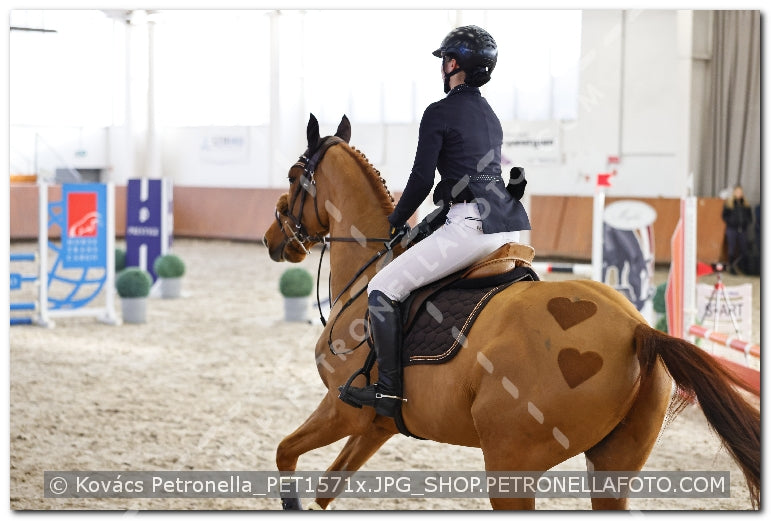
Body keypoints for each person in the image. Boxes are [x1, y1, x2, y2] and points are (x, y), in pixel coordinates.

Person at [339, 25, 531, 418]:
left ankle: (389, 391)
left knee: (384, 286)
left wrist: (395, 219)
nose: (442, 67)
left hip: (470, 227)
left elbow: (422, 180)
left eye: (445, 59)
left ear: (454, 63)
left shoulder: (439, 112)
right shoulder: (490, 114)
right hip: (506, 227)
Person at [721, 185, 753, 273]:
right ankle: (731, 268)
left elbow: (750, 217)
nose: (739, 194)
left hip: (742, 230)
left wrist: (745, 223)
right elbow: (724, 216)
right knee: (731, 248)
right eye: (737, 192)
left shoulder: (746, 205)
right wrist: (731, 222)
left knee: (744, 249)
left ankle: (745, 269)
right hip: (732, 229)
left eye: (740, 192)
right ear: (734, 193)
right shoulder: (729, 204)